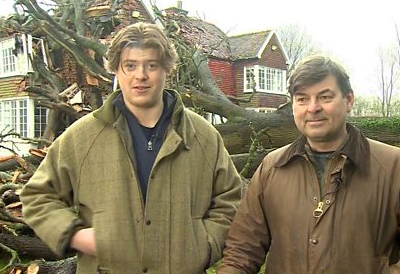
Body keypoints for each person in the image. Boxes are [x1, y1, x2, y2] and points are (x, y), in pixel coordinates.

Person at [20, 22, 242, 274]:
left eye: (151, 65)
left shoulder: (203, 137)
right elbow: (37, 197)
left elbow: (230, 199)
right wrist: (75, 235)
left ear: (167, 69)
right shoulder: (81, 138)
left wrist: (203, 246)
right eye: (130, 65)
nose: (141, 76)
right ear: (116, 69)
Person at [218, 55, 400, 274]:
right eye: (302, 99)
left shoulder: (391, 165)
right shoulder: (272, 167)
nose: (313, 108)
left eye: (325, 97)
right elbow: (242, 250)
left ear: (349, 99)